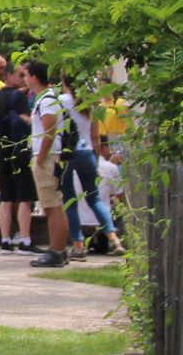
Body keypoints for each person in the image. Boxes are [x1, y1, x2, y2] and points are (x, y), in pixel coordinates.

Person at [56, 72, 122, 257]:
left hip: (68, 153)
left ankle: (78, 245)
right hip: (87, 153)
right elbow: (95, 136)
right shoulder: (89, 103)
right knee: (94, 199)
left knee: (70, 200)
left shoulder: (60, 100)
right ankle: (113, 238)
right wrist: (96, 157)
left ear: (64, 82)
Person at [23, 60, 71, 267]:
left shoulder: (47, 100)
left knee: (52, 206)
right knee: (53, 206)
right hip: (49, 156)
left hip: (48, 157)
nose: (24, 79)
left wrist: (41, 157)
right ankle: (58, 249)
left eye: (26, 75)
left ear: (34, 77)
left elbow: (49, 129)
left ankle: (56, 250)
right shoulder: (43, 99)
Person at [0, 62, 36, 253]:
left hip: (2, 148)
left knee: (6, 197)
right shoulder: (18, 97)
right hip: (19, 148)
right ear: (8, 76)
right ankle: (25, 240)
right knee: (25, 197)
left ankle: (5, 240)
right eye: (20, 75)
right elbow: (25, 121)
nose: (23, 79)